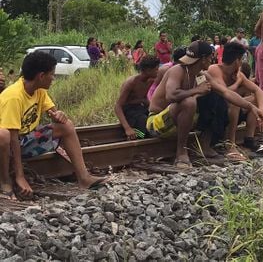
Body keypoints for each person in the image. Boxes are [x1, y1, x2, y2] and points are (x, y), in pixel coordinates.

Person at [0, 52, 107, 199]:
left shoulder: (39, 90)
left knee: (66, 126)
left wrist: (59, 115)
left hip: (24, 139)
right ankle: (5, 181)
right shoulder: (13, 97)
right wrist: (20, 176)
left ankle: (84, 178)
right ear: (41, 76)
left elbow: (54, 113)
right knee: (3, 135)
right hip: (7, 144)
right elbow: (12, 138)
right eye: (52, 74)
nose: (54, 78)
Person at [147, 41, 213, 167]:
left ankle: (205, 145)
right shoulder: (177, 70)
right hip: (156, 123)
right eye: (210, 57)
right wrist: (197, 90)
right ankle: (181, 153)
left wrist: (251, 106)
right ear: (203, 59)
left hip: (173, 123)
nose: (212, 60)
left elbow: (224, 92)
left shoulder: (198, 75)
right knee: (189, 102)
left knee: (213, 98)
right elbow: (171, 95)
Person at [206, 42, 263, 161]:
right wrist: (238, 83)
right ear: (237, 61)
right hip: (216, 113)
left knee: (254, 99)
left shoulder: (237, 74)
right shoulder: (215, 69)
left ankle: (249, 139)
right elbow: (225, 93)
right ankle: (230, 144)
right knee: (235, 102)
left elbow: (258, 90)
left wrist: (261, 110)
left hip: (229, 113)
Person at [114, 56, 160, 140]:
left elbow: (143, 98)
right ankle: (136, 136)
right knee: (143, 121)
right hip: (128, 111)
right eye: (156, 69)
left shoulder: (150, 80)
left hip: (139, 108)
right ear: (148, 70)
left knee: (155, 118)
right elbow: (118, 106)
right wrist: (127, 128)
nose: (158, 71)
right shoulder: (131, 83)